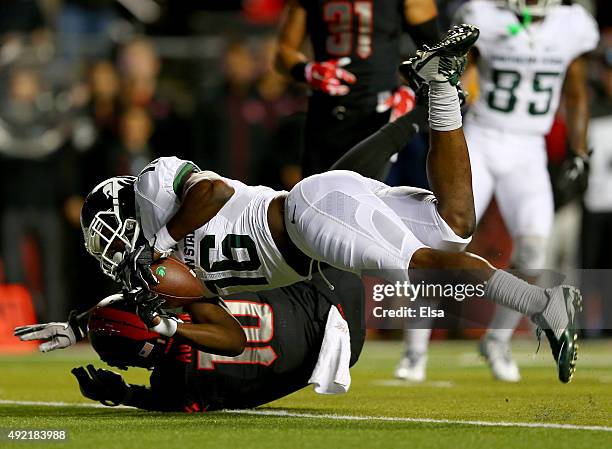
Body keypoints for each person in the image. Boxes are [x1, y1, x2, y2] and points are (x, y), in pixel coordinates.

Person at [16, 25, 581, 384]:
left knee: (418, 268)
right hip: (317, 230)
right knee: (453, 227)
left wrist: (163, 243)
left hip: (305, 216)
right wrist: (160, 330)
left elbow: (209, 191)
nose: (115, 250)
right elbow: (233, 338)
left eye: (109, 236)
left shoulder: (154, 191)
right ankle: (439, 89)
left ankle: (544, 303)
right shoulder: (161, 280)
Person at [396, 0, 599, 383]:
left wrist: (580, 151)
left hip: (529, 147)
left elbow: (575, 94)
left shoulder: (569, 26)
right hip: (483, 137)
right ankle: (414, 351)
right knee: (443, 242)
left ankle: (497, 340)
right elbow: (461, 68)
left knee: (535, 251)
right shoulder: (484, 16)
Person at [70, 268, 365, 411]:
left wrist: (125, 394)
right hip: (333, 287)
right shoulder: (189, 296)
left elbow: (168, 400)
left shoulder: (174, 386)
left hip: (339, 356)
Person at [275, 0, 440, 176]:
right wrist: (307, 70)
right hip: (328, 117)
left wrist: (411, 92)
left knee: (386, 199)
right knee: (319, 199)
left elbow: (441, 56)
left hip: (386, 114)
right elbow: (282, 52)